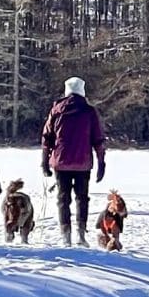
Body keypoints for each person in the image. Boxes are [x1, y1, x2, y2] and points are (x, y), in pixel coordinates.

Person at [40, 75, 107, 245]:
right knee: (82, 198)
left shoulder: (56, 110)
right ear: (82, 91)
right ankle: (81, 234)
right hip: (82, 163)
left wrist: (44, 160)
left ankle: (65, 235)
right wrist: (101, 162)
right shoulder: (89, 111)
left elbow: (47, 136)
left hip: (61, 161)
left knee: (63, 198)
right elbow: (98, 139)